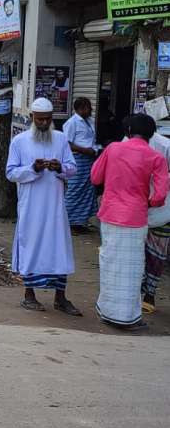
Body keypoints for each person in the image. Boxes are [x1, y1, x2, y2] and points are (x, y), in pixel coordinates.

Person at [90, 113, 168, 331]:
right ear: (152, 134)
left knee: (110, 261)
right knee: (133, 268)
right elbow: (160, 195)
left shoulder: (113, 149)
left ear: (128, 131)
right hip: (136, 217)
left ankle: (107, 311)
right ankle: (128, 317)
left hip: (110, 214)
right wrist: (148, 201)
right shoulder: (156, 158)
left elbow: (95, 177)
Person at [5, 97, 81, 315]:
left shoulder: (60, 139)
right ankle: (29, 295)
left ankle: (60, 297)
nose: (44, 123)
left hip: (55, 205)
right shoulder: (19, 141)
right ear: (32, 118)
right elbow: (11, 173)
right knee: (31, 245)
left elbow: (72, 168)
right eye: (40, 120)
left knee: (59, 247)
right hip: (31, 206)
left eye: (47, 119)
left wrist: (60, 168)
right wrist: (33, 169)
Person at [141, 130, 170, 314]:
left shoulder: (165, 146)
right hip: (141, 208)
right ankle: (145, 293)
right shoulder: (127, 143)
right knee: (150, 256)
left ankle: (148, 293)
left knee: (155, 255)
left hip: (160, 209)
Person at [63, 97, 100, 232]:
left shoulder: (89, 121)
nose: (89, 110)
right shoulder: (72, 123)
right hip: (78, 158)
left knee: (87, 191)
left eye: (89, 107)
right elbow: (67, 143)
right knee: (75, 189)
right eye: (86, 108)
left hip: (89, 159)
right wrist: (85, 150)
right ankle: (66, 220)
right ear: (78, 109)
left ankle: (79, 222)